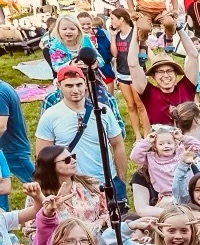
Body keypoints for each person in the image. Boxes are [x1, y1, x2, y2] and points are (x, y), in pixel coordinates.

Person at [34, 65, 129, 198]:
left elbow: (118, 145)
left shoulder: (103, 111)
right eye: (69, 86)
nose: (75, 90)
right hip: (71, 188)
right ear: (59, 86)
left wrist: (120, 180)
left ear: (85, 84)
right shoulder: (50, 116)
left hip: (106, 182)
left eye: (79, 84)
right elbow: (42, 156)